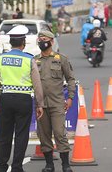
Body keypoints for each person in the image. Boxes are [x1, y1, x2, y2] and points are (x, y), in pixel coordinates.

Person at [0, 25, 44, 172]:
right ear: (24, 42)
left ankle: (1, 166)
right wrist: (40, 104)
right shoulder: (29, 60)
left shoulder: (1, 59)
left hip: (6, 98)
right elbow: (37, 84)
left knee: (4, 134)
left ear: (10, 42)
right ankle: (16, 167)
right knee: (21, 134)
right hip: (24, 100)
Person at [34, 30, 76, 172]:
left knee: (59, 133)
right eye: (39, 40)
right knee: (44, 135)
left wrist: (70, 97)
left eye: (44, 39)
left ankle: (65, 165)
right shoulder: (34, 60)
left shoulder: (61, 59)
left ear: (51, 41)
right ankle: (49, 165)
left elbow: (70, 79)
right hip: (40, 104)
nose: (41, 42)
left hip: (57, 103)